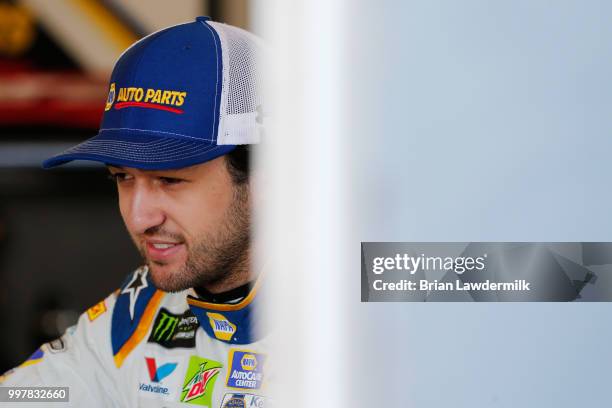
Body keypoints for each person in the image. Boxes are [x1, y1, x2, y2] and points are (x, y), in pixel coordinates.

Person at [0, 17, 267, 408]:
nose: (140, 217)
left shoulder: (374, 291)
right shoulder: (138, 310)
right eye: (122, 177)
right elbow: (31, 397)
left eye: (169, 180)